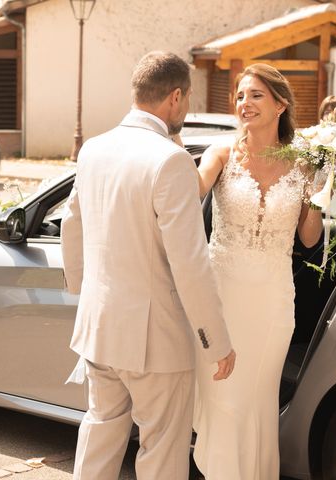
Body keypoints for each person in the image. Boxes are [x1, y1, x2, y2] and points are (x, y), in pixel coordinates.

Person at [61, 51, 236, 480]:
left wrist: (83, 293)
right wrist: (215, 342)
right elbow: (190, 264)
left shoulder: (93, 149)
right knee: (162, 450)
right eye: (188, 99)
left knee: (100, 434)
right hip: (155, 342)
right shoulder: (170, 160)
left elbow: (71, 227)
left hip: (100, 330)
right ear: (175, 97)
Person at [192, 63, 323, 479]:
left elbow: (308, 239)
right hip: (222, 301)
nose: (243, 103)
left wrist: (322, 193)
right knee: (223, 402)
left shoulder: (303, 166)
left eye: (255, 95)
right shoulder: (221, 155)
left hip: (273, 305)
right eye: (240, 96)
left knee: (256, 403)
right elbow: (188, 192)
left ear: (280, 104)